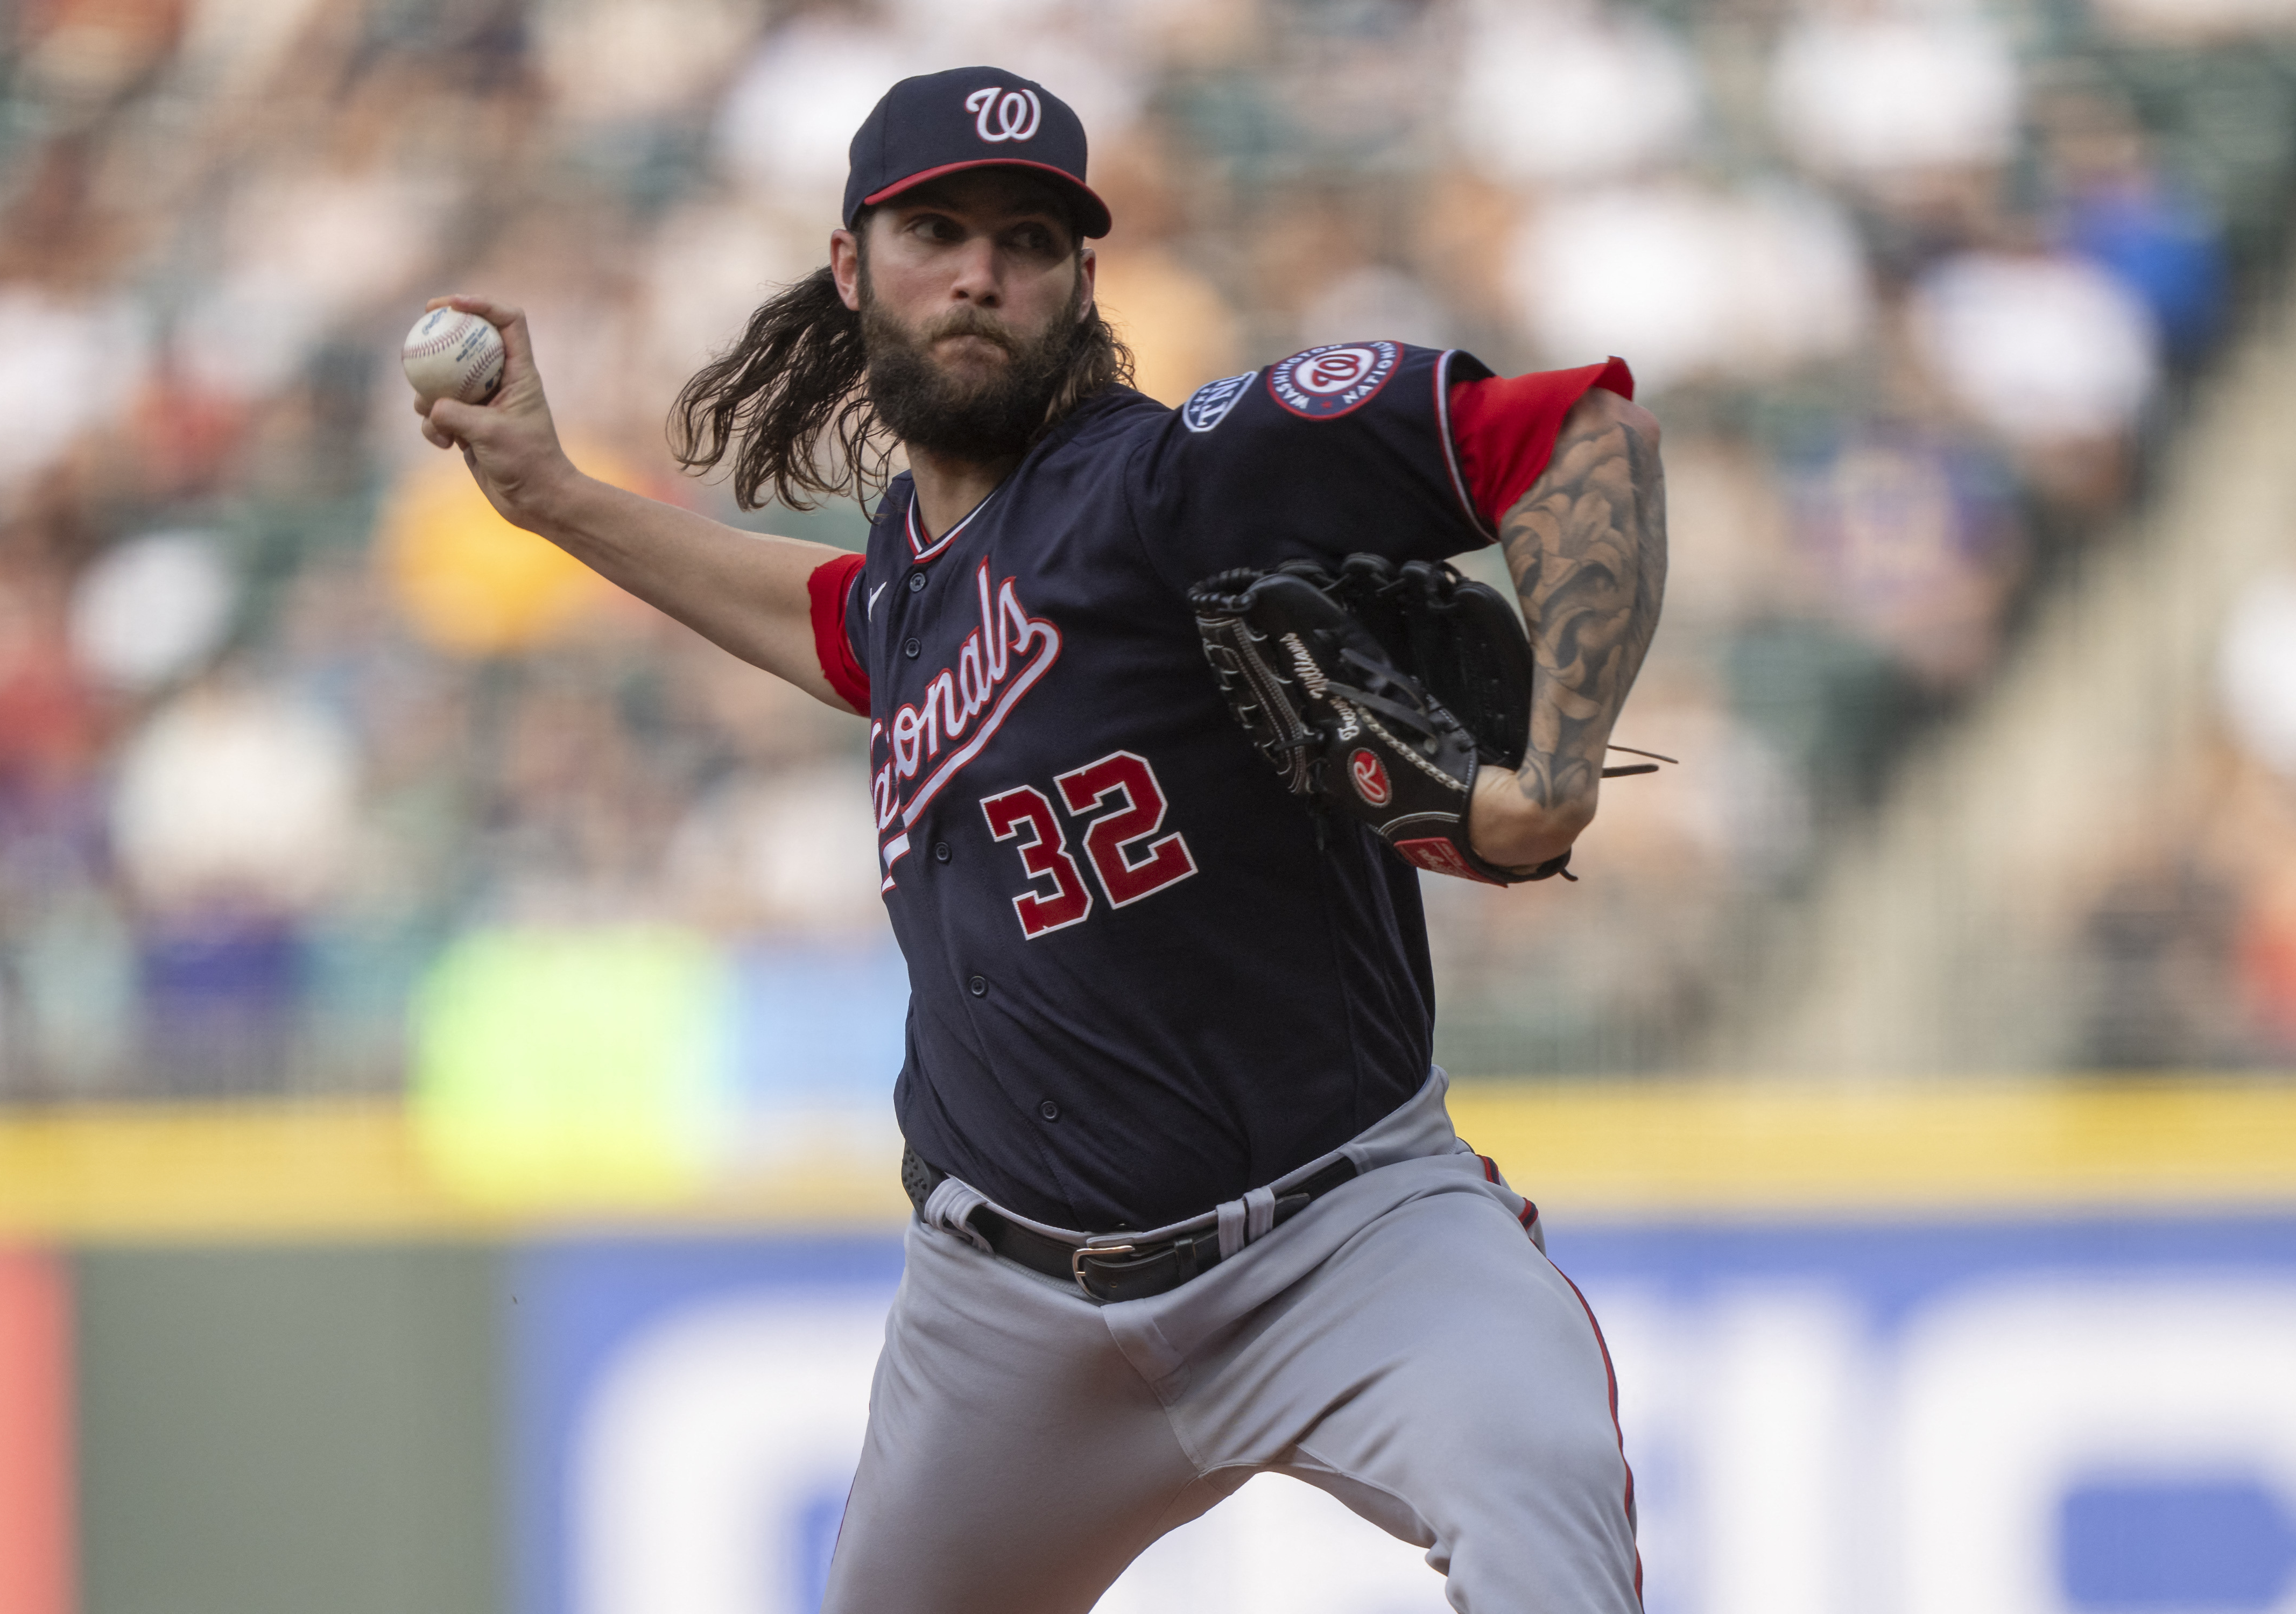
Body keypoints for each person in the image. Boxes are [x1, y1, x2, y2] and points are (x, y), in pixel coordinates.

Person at [420, 66, 1664, 1614]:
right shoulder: (911, 576)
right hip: (999, 1313)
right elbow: (841, 633)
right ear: (850, 264)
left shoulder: (1177, 479)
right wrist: (551, 501)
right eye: (936, 228)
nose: (979, 270)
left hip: (1345, 1237)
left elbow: (1572, 435)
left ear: (1082, 278)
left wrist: (1551, 775)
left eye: (1027, 238)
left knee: (1544, 1511)